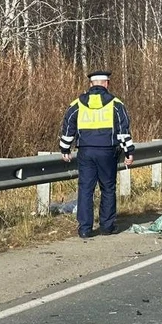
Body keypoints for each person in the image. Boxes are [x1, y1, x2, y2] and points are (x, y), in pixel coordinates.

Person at [59, 71, 135, 238]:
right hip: (107, 151)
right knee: (108, 188)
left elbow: (68, 127)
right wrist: (129, 151)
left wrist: (65, 149)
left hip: (85, 151)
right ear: (107, 84)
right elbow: (123, 131)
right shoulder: (115, 104)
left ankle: (85, 229)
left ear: (91, 85)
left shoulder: (77, 104)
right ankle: (107, 226)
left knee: (86, 188)